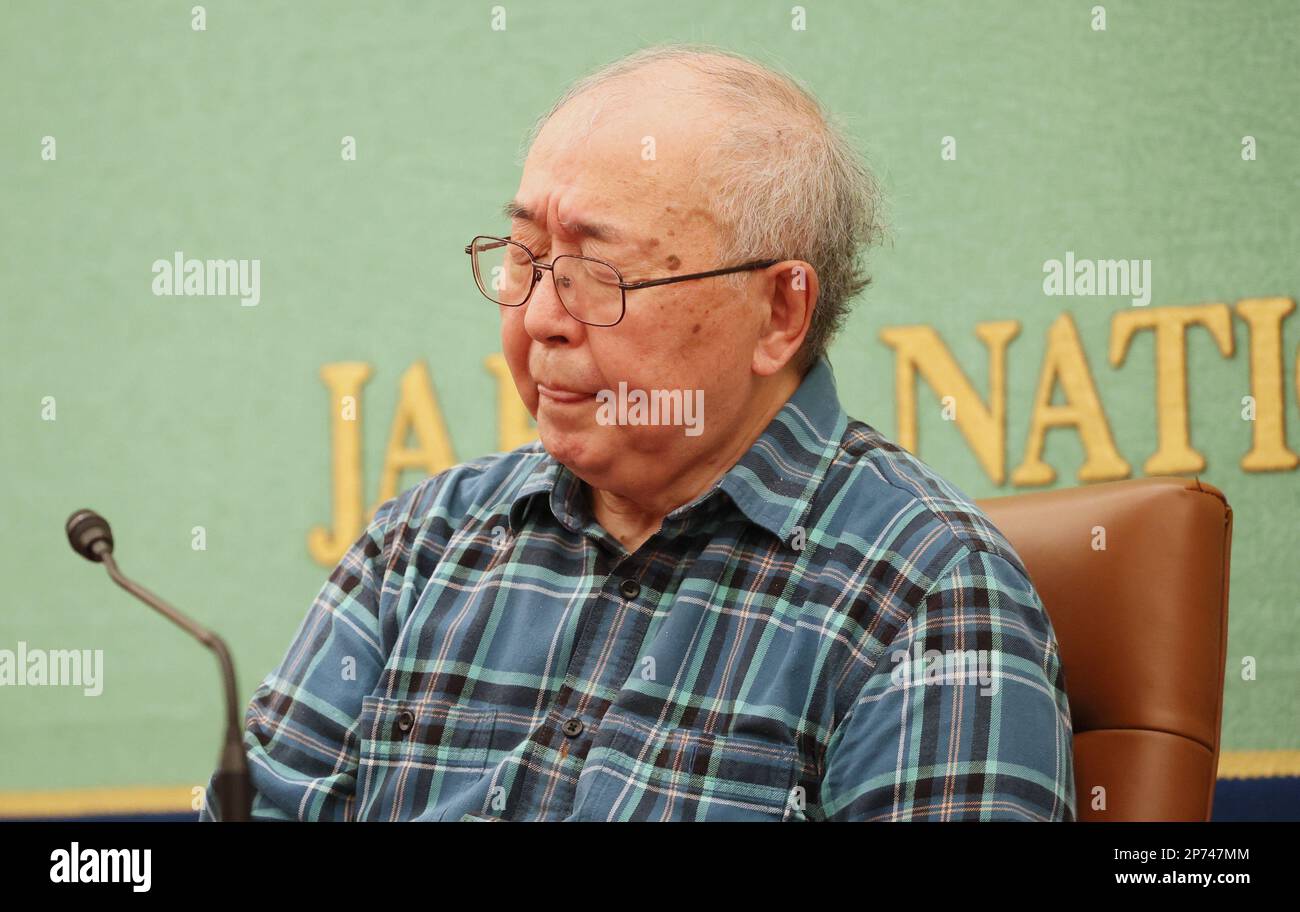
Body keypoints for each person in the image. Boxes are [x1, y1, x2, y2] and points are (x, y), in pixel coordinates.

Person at [201, 43, 1074, 822]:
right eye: (524, 259)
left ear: (780, 310)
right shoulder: (423, 544)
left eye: (596, 271)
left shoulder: (927, 598)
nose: (540, 315)